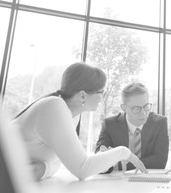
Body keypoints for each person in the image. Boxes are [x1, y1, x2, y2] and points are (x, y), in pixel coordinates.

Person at [12, 62, 147, 180]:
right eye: (101, 92)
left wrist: (43, 169)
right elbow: (82, 169)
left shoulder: (71, 114)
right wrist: (123, 152)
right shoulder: (54, 107)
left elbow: (62, 163)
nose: (102, 98)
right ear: (82, 95)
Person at [95, 82, 169, 171]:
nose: (143, 113)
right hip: (117, 182)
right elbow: (99, 160)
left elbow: (160, 161)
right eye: (137, 108)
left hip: (148, 180)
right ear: (124, 108)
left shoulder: (159, 123)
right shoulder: (109, 125)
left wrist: (119, 165)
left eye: (146, 106)